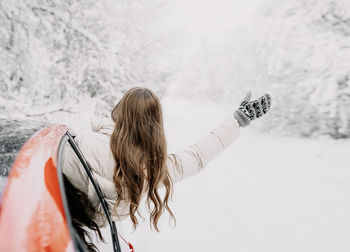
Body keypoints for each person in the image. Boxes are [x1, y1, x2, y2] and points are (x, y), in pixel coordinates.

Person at [62, 87, 271, 250]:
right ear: (155, 123)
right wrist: (237, 121)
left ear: (119, 111)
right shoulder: (149, 170)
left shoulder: (80, 143)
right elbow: (197, 156)